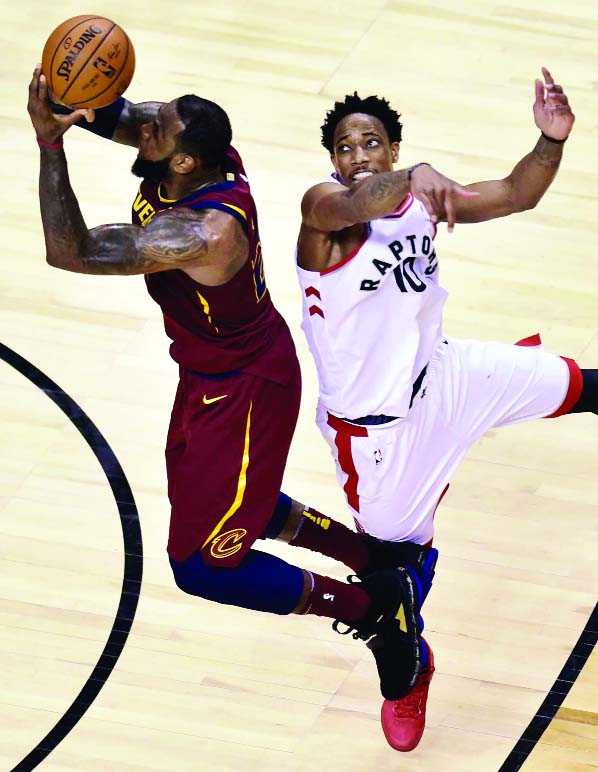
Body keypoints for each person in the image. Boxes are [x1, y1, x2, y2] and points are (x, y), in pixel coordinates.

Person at [26, 65, 443, 727]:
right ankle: (379, 560)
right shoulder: (202, 157)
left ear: (186, 159)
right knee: (229, 508)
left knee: (203, 567)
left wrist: (50, 145)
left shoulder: (205, 234)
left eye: (155, 130)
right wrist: (67, 101)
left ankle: (377, 615)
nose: (142, 124)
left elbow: (69, 250)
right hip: (206, 375)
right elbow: (123, 115)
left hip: (248, 390)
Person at [296, 67, 582, 752]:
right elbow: (346, 203)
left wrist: (550, 141)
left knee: (585, 387)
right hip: (377, 435)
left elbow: (516, 193)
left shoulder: (418, 203)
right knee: (394, 591)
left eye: (371, 142)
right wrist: (412, 175)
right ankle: (410, 674)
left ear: (391, 147)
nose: (357, 154)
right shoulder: (323, 217)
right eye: (344, 145)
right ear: (333, 160)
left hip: (445, 374)